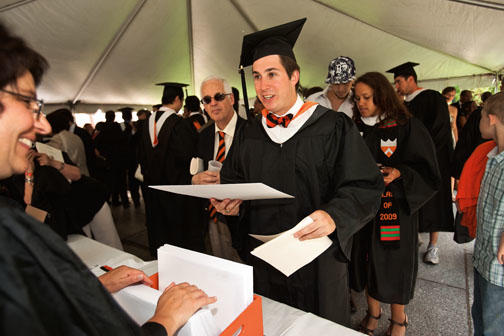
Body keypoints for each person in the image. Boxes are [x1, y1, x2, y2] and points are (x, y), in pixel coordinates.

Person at [0, 21, 215, 336]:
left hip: (155, 196)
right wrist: (165, 321)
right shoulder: (8, 235)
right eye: (29, 103)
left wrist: (92, 285)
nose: (43, 126)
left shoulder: (150, 123)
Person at [211, 18, 384, 326]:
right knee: (271, 324)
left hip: (318, 260)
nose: (263, 86)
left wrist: (334, 216)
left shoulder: (332, 126)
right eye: (257, 76)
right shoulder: (250, 132)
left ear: (294, 76)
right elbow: (233, 179)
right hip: (264, 260)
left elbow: (364, 185)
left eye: (272, 74)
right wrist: (230, 203)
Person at [350, 72, 440, 336]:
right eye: (357, 98)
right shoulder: (357, 128)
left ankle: (398, 320)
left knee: (394, 265)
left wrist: (398, 172)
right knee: (367, 260)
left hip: (396, 212)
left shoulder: (406, 126)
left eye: (367, 97)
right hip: (366, 211)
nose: (361, 103)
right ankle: (373, 313)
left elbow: (427, 170)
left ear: (382, 95)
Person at [387, 62, 454, 265]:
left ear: (410, 79)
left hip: (433, 161)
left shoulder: (433, 98)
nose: (397, 86)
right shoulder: (405, 105)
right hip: (412, 164)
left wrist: (425, 155)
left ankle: (433, 246)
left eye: (399, 81)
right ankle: (415, 236)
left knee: (435, 204)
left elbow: (441, 132)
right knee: (414, 200)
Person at [138, 82, 204, 256]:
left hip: (153, 190)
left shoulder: (146, 123)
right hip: (177, 191)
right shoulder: (179, 124)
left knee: (160, 233)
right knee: (181, 237)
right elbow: (189, 156)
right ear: (177, 99)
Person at [191, 76, 246, 260]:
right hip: (212, 219)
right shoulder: (203, 135)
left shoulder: (252, 132)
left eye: (218, 97)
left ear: (231, 99)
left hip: (243, 222)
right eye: (207, 100)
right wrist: (194, 180)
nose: (213, 103)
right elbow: (192, 170)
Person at [471, 92, 504, 336]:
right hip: (484, 257)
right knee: (481, 317)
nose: (479, 119)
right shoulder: (493, 156)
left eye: (482, 114)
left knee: (494, 326)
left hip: (499, 270)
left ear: (491, 119)